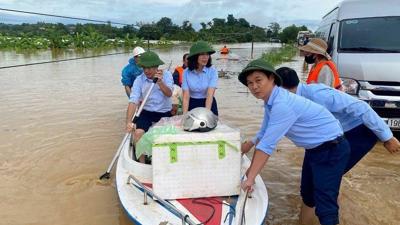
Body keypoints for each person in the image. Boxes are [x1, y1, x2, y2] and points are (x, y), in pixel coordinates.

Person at [276, 66, 400, 224]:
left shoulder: (317, 94)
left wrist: (387, 137)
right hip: (321, 140)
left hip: (356, 133)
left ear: (281, 88)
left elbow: (362, 108)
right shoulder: (289, 101)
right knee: (308, 189)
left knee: (324, 186)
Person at [239, 58, 351, 225]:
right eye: (249, 83)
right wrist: (248, 147)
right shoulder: (271, 102)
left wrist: (250, 178)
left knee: (325, 204)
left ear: (272, 79)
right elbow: (264, 132)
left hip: (331, 149)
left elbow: (267, 146)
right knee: (307, 194)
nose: (254, 86)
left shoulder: (282, 104)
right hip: (315, 149)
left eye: (258, 80)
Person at [126, 51, 173, 163]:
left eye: (150, 68)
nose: (147, 71)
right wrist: (128, 122)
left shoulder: (167, 75)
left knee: (164, 137)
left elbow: (169, 94)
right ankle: (142, 162)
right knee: (138, 133)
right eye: (144, 68)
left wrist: (160, 83)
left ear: (157, 66)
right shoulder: (139, 80)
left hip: (164, 112)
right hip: (145, 111)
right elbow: (133, 101)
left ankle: (162, 161)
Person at [182, 41, 219, 116]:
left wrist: (206, 114)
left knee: (208, 124)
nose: (205, 57)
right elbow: (186, 97)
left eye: (207, 54)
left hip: (208, 102)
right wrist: (184, 115)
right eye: (202, 54)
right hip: (192, 103)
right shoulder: (186, 72)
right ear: (194, 57)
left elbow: (210, 94)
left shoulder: (213, 71)